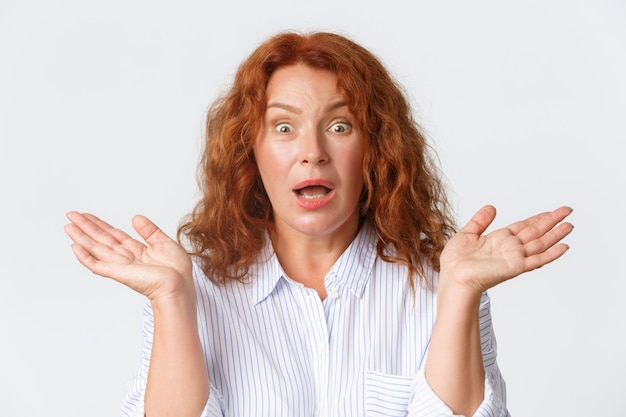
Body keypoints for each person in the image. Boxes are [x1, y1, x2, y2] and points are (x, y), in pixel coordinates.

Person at [64, 31, 573, 417]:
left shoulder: (443, 286)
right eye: (284, 127)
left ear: (374, 148)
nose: (312, 152)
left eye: (339, 126)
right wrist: (173, 299)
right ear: (251, 151)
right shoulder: (193, 290)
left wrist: (460, 290)